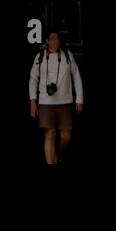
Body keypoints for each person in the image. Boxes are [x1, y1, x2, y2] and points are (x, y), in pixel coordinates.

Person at [29, 30, 83, 164]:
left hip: (65, 101)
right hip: (46, 102)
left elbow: (76, 77)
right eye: (52, 38)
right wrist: (32, 101)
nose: (56, 41)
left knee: (66, 136)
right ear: (47, 41)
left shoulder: (67, 55)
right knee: (50, 133)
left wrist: (79, 99)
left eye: (58, 39)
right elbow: (33, 79)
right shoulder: (40, 56)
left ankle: (56, 156)